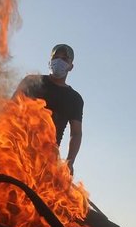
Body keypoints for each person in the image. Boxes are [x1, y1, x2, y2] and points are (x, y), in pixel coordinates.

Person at [14, 43, 84, 174]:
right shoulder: (31, 82)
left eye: (64, 59)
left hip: (46, 160)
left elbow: (76, 133)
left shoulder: (75, 99)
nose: (59, 61)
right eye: (56, 57)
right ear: (50, 61)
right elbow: (10, 108)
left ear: (71, 66)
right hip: (17, 150)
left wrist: (70, 161)